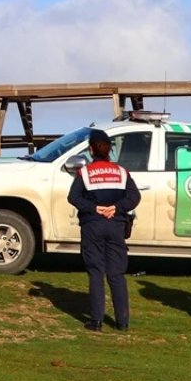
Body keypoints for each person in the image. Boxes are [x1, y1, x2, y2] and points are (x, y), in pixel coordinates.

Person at [68, 129, 141, 332]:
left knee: (96, 272)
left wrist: (94, 208)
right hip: (116, 225)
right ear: (110, 150)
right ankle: (122, 322)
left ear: (91, 149)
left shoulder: (85, 173)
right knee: (117, 274)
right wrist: (116, 208)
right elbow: (134, 197)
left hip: (92, 225)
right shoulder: (121, 172)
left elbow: (73, 197)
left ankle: (97, 320)